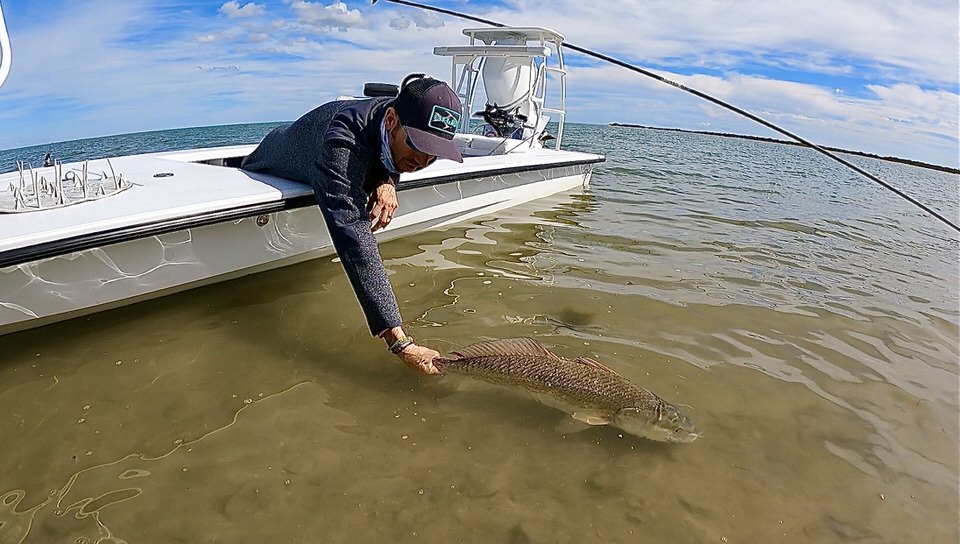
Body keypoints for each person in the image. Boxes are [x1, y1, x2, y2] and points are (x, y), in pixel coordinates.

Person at [241, 75, 464, 375]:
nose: (423, 160)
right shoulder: (340, 148)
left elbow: (385, 148)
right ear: (391, 119)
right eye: (417, 145)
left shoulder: (395, 114)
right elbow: (355, 239)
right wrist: (400, 343)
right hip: (269, 158)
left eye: (433, 152)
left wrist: (387, 180)